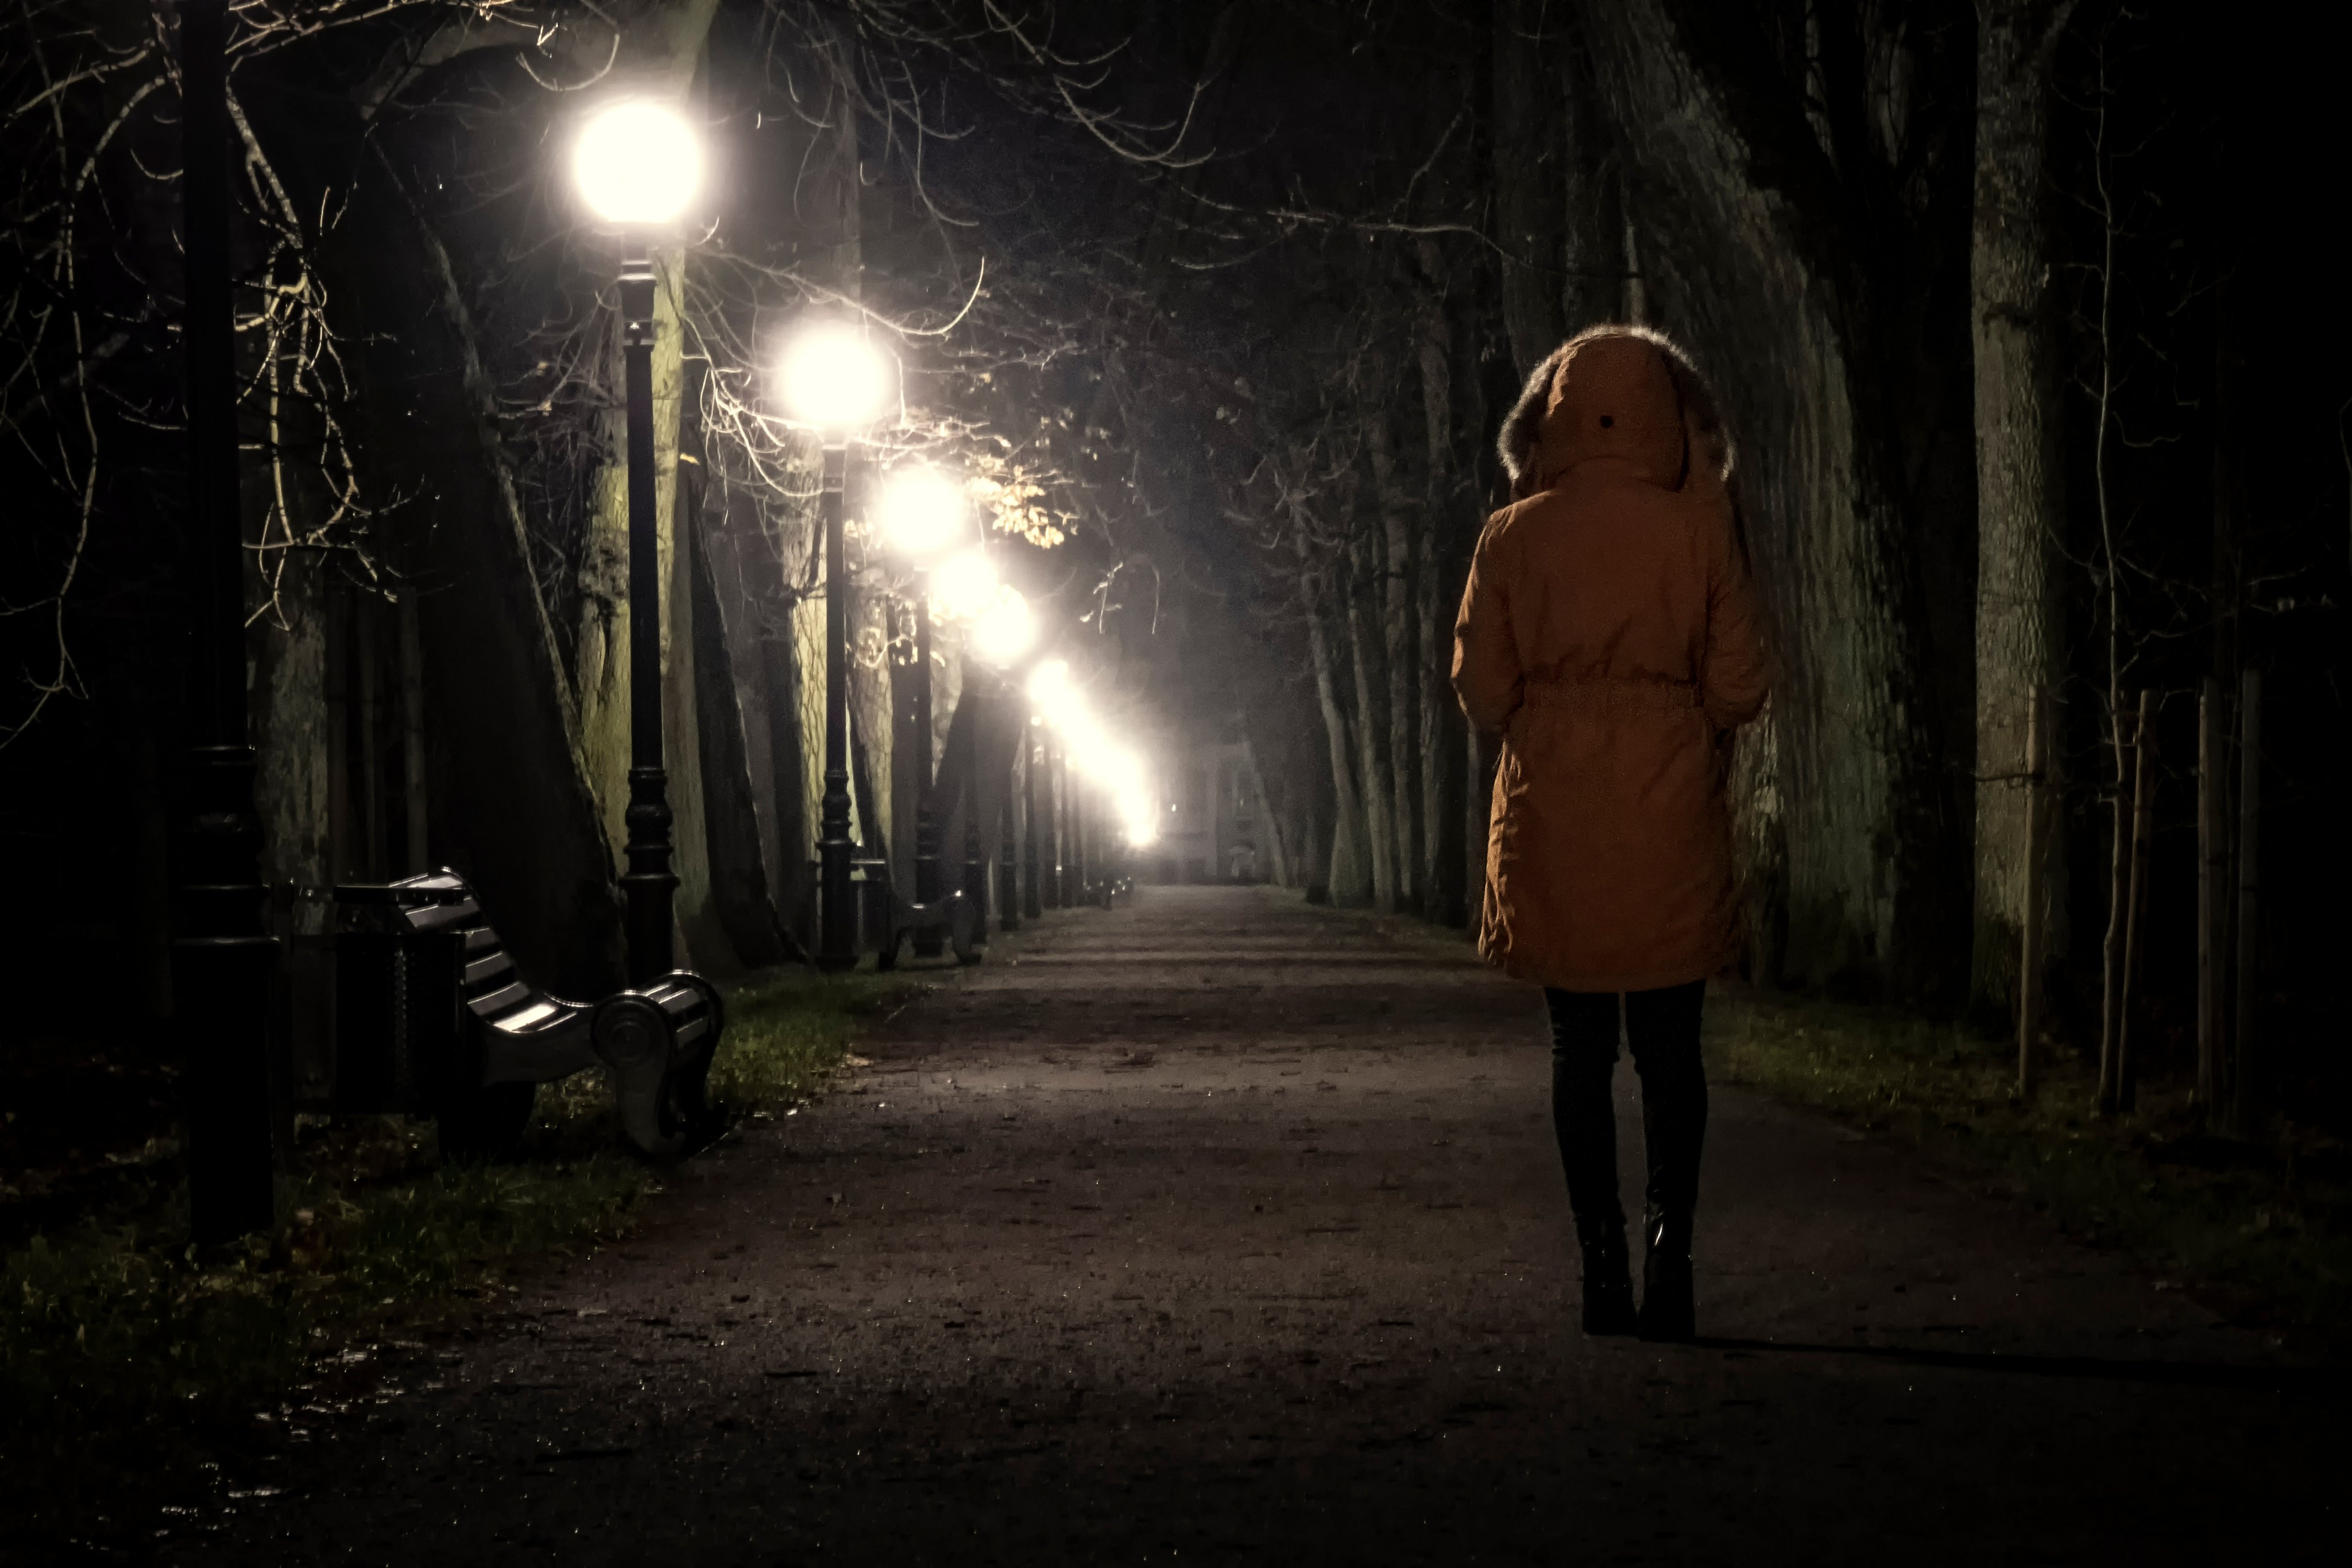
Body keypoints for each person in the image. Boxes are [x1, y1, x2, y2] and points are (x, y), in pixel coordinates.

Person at [1451, 326, 1771, 1342]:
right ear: (1670, 418)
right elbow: (1739, 684)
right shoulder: (1699, 530)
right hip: (1669, 803)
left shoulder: (1511, 537)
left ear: (1548, 420)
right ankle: (1672, 1259)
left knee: (1578, 1046)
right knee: (1672, 1050)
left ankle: (1600, 1263)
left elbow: (1482, 687)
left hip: (1555, 812)